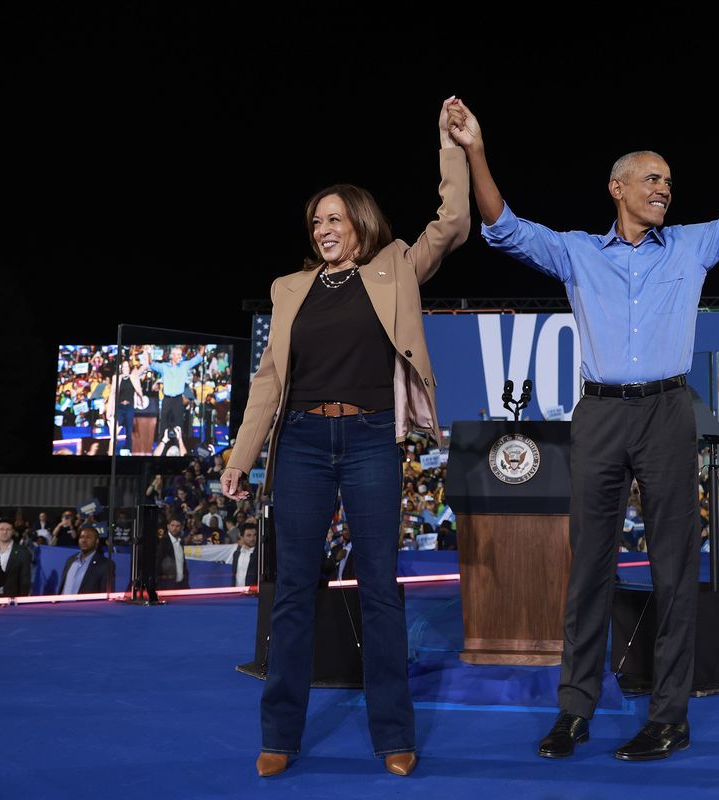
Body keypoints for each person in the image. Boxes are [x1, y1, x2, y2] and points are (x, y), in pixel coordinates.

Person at [449, 49, 719, 761]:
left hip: (670, 412)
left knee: (674, 571)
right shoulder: (579, 252)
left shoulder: (693, 247)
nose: (664, 188)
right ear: (616, 187)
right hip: (602, 415)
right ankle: (574, 711)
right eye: (651, 178)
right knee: (588, 570)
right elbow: (504, 227)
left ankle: (668, 717)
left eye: (669, 180)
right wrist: (477, 152)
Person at [219, 99, 469, 780]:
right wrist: (240, 460)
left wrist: (452, 146)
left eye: (333, 218)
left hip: (367, 442)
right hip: (299, 442)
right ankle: (280, 734)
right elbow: (268, 382)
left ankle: (394, 735)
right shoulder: (289, 288)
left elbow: (452, 224)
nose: (322, 228)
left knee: (381, 588)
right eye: (315, 221)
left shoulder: (394, 268)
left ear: (359, 221)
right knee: (296, 589)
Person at [58, 527, 114, 594]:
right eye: (81, 537)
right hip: (62, 604)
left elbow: (105, 594)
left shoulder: (105, 564)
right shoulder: (70, 560)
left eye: (88, 537)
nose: (84, 540)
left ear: (97, 541)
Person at [0, 517, 32, 597]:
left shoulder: (22, 551)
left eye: (8, 529)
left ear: (13, 532)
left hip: (11, 597)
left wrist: (22, 600)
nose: (5, 532)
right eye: (1, 529)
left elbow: (25, 580)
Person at [232, 522, 258, 587]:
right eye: (248, 535)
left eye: (255, 535)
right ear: (242, 537)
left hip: (252, 594)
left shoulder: (260, 554)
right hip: (237, 593)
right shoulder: (236, 554)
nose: (252, 538)